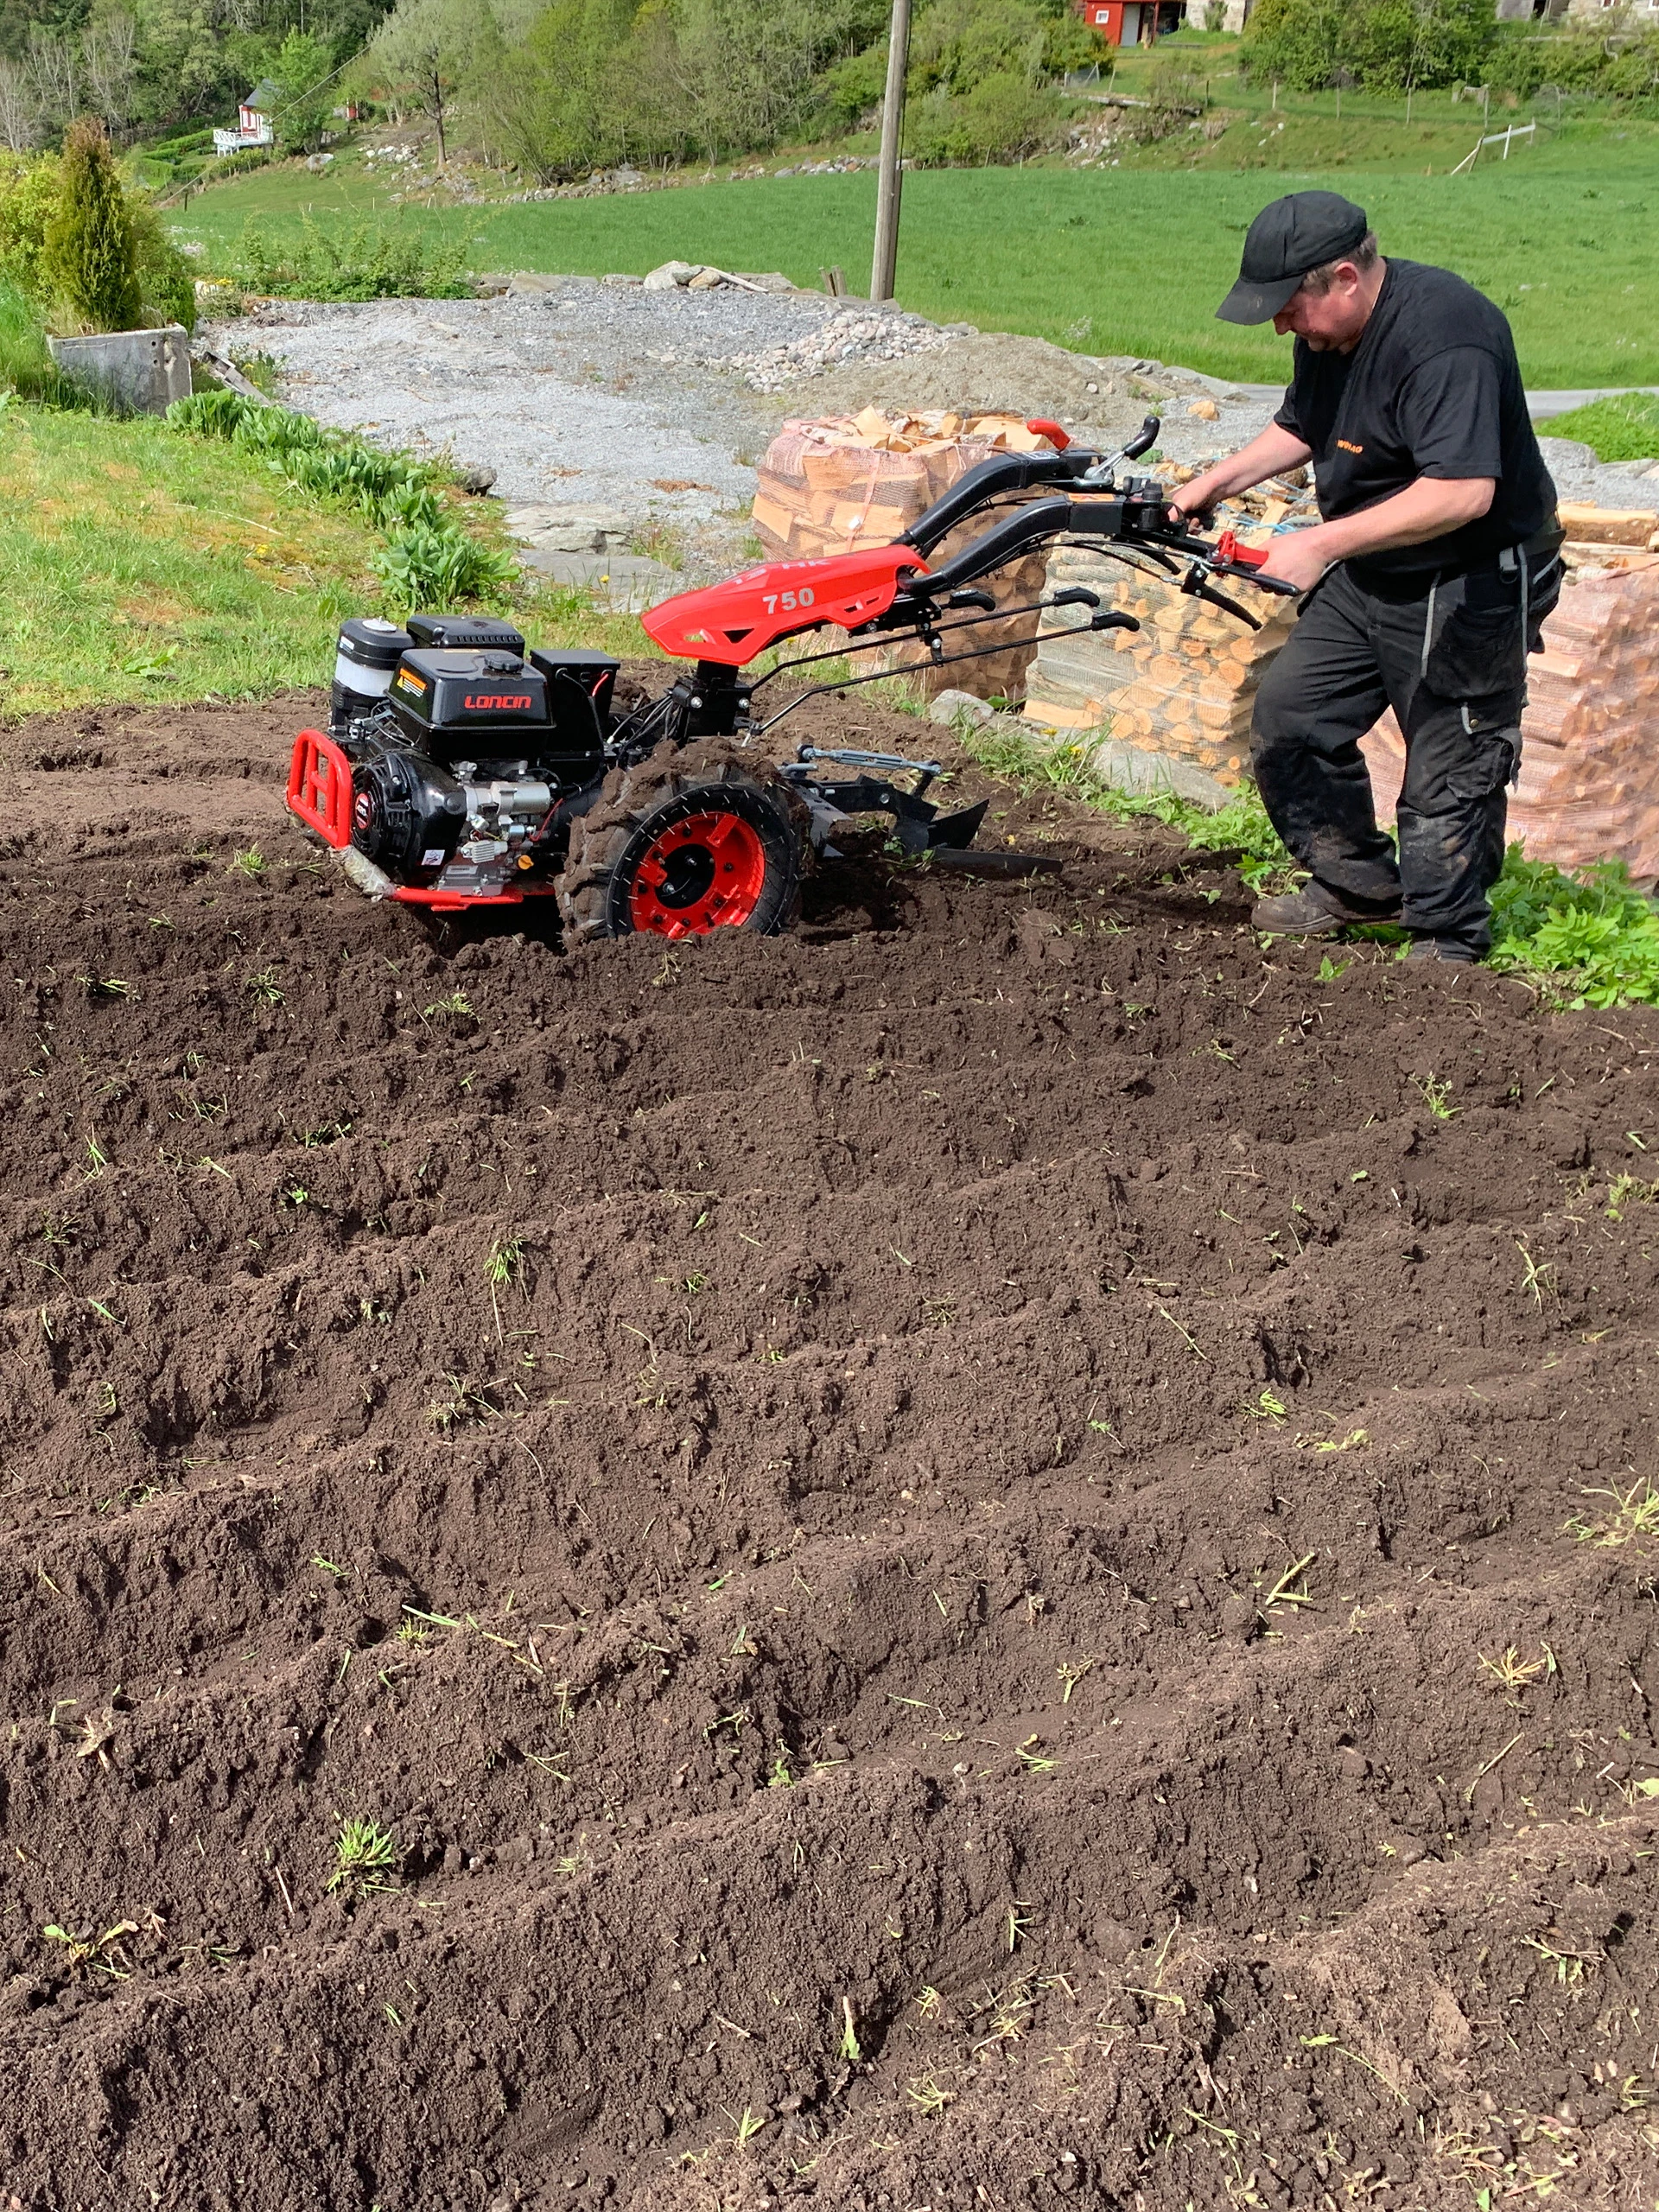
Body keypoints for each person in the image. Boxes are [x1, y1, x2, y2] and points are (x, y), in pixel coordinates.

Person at [1167, 191, 1562, 963]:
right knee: (1291, 719)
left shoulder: (1448, 336)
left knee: (1450, 763)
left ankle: (1448, 942)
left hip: (1471, 575)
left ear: (1344, 277)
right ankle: (1356, 888)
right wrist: (1213, 483)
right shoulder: (1326, 340)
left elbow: (1463, 492)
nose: (1281, 324)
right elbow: (1301, 425)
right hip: (1375, 561)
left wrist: (1319, 544)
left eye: (1288, 307)